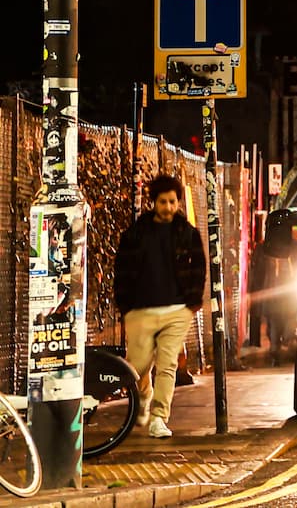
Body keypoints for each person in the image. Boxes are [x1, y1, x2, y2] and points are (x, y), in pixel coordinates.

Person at [115, 174, 206, 438]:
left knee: (167, 365)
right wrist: (126, 306)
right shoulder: (135, 234)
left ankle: (159, 418)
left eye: (173, 202)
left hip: (176, 311)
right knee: (138, 366)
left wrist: (192, 302)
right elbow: (121, 269)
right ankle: (143, 398)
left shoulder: (188, 234)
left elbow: (198, 269)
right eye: (163, 202)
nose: (168, 207)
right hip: (141, 310)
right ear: (153, 202)